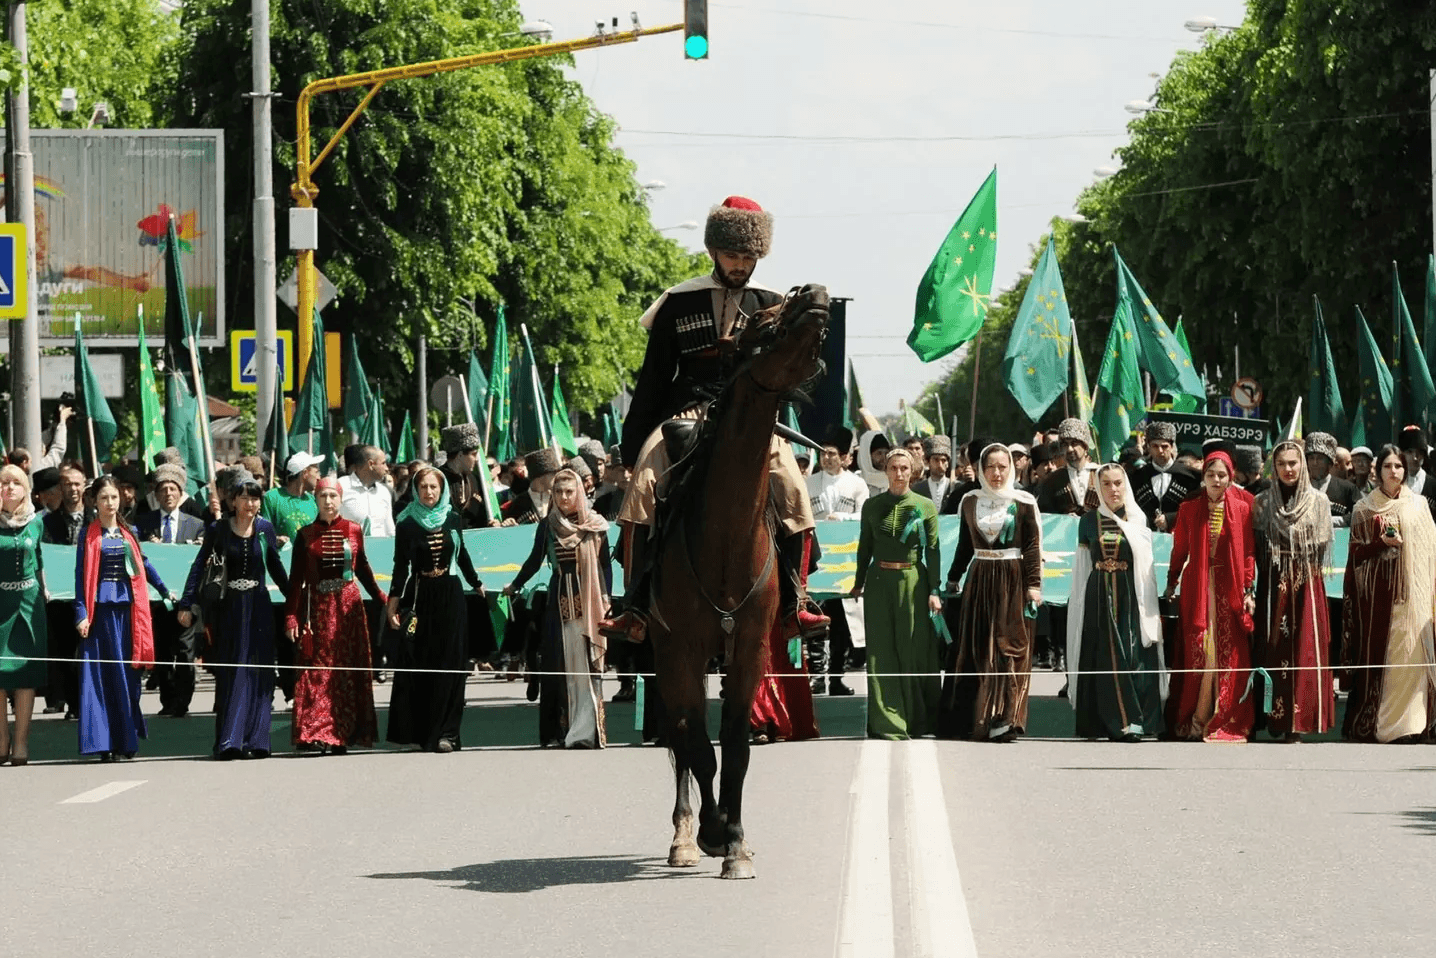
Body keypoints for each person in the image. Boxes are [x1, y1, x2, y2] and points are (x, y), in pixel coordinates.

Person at [606, 195, 823, 645]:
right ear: (713, 252)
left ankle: (798, 601)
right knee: (644, 484)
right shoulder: (677, 302)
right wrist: (632, 447)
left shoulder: (774, 304)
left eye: (748, 256)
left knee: (793, 489)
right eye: (732, 255)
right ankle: (634, 603)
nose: (740, 264)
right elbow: (652, 379)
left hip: (755, 421)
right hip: (688, 412)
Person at [179, 472, 291, 760]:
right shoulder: (218, 529)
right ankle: (230, 740)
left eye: (255, 498)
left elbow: (277, 569)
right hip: (228, 608)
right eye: (244, 497)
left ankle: (257, 740)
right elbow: (198, 566)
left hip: (259, 607)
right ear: (232, 499)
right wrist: (186, 602)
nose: (250, 503)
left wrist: (296, 603)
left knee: (260, 672)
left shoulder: (265, 529)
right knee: (233, 671)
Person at [940, 443, 1043, 742]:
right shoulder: (970, 501)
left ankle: (1005, 718)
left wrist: (1034, 586)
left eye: (1002, 466)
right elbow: (964, 545)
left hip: (1012, 580)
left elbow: (1032, 547)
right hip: (980, 578)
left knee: (1007, 648)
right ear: (981, 470)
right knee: (976, 647)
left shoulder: (1023, 502)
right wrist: (953, 578)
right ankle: (977, 719)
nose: (996, 473)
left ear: (1012, 468)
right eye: (990, 467)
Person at [504, 468, 613, 748]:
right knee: (560, 666)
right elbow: (533, 560)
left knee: (588, 666)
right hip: (558, 602)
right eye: (559, 492)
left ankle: (589, 733)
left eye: (569, 492)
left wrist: (607, 599)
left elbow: (604, 567)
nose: (564, 498)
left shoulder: (596, 525)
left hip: (589, 602)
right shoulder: (548, 525)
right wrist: (515, 585)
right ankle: (561, 732)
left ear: (578, 492)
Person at [385, 465, 485, 752]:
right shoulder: (406, 524)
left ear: (442, 491)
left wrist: (476, 583)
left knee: (452, 664)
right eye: (424, 487)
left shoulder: (453, 519)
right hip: (420, 596)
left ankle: (449, 734)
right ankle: (425, 731)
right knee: (423, 662)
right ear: (416, 490)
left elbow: (462, 553)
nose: (429, 492)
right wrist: (393, 601)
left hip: (451, 596)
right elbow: (400, 566)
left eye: (434, 487)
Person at [1342, 444, 1436, 743]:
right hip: (1379, 598)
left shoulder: (1419, 505)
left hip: (1416, 598)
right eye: (1388, 466)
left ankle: (1415, 724)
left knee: (1414, 655)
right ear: (1378, 471)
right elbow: (1355, 555)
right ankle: (1387, 725)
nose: (1394, 471)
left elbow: (1432, 552)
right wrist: (1381, 543)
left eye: (1398, 466)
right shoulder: (1364, 508)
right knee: (1390, 660)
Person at [285, 478, 387, 754]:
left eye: (333, 496)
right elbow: (295, 580)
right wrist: (291, 617)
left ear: (340, 499)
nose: (328, 501)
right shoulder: (305, 535)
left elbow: (363, 569)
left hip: (348, 610)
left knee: (345, 671)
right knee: (317, 671)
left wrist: (383, 599)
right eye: (323, 496)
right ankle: (317, 732)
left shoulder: (353, 530)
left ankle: (343, 732)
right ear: (315, 500)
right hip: (316, 608)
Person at [74, 475, 172, 761]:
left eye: (114, 497)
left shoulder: (130, 532)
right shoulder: (88, 534)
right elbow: (80, 577)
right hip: (99, 614)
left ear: (121, 499)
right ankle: (103, 743)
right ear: (94, 501)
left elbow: (145, 564)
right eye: (104, 498)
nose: (109, 503)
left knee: (127, 677)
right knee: (101, 678)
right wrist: (81, 614)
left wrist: (165, 591)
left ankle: (125, 741)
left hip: (128, 613)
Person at [1065, 463, 1166, 741]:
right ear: (1098, 488)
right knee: (1106, 654)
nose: (1113, 489)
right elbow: (1083, 566)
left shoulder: (1138, 519)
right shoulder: (1088, 521)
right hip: (1099, 592)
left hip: (1131, 593)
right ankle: (1112, 722)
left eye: (1118, 483)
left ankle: (1139, 720)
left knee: (1133, 654)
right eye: (1106, 484)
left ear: (1126, 485)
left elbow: (1145, 566)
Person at [1163, 449, 1257, 743]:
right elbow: (1180, 550)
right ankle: (1195, 717)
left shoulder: (1243, 509)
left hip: (1229, 588)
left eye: (1222, 475)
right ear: (1203, 477)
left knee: (1229, 653)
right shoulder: (1189, 509)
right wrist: (1172, 581)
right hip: (1198, 587)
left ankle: (1225, 717)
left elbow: (1248, 554)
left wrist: (1248, 589)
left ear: (1231, 478)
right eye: (1211, 475)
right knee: (1200, 650)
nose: (1216, 480)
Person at [850, 448, 942, 740]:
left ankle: (917, 719)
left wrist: (935, 590)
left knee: (912, 648)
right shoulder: (871, 506)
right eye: (893, 468)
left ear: (913, 471)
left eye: (904, 468)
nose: (899, 473)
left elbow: (934, 551)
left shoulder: (925, 506)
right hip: (879, 582)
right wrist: (858, 581)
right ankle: (886, 721)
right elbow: (865, 546)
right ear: (885, 471)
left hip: (913, 582)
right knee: (880, 652)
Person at [1252, 440, 1335, 742]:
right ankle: (1272, 717)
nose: (1288, 469)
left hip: (1307, 586)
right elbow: (1258, 549)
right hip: (1274, 586)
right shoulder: (1261, 502)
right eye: (1282, 464)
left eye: (1293, 463)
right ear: (1273, 467)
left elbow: (1323, 545)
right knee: (1272, 647)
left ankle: (1298, 723)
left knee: (1304, 649)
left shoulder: (1319, 502)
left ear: (1302, 465)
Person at [136, 462, 206, 718]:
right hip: (157, 601)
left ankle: (182, 702)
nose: (168, 494)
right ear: (156, 494)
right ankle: (167, 701)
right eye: (163, 489)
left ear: (180, 493)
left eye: (172, 489)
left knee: (186, 652)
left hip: (187, 600)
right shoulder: (144, 524)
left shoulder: (196, 525)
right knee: (163, 651)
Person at [0, 465, 48, 766]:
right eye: (4, 483)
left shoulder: (36, 522)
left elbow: (39, 560)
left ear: (25, 489)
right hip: (0, 603)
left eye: (16, 482)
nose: (9, 487)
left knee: (26, 675)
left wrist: (46, 591)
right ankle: (1, 740)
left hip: (29, 606)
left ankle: (21, 744)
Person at [1130, 421, 1199, 533]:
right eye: (1155, 446)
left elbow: (1197, 509)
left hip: (1180, 538)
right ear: (1148, 447)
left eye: (1164, 446)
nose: (1160, 451)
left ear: (1172, 447)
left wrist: (1171, 518)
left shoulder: (1191, 476)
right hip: (1144, 539)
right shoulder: (1137, 476)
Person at [1035, 418, 1100, 515]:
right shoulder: (1053, 480)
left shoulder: (1101, 474)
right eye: (1065, 445)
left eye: (1074, 443)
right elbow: (1044, 516)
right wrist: (1064, 518)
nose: (1069, 449)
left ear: (1085, 446)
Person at [438, 423, 497, 527]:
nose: (477, 459)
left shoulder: (477, 480)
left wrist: (492, 523)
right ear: (460, 455)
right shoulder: (436, 478)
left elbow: (485, 517)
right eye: (474, 454)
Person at [262, 450, 323, 542]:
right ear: (305, 473)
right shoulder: (272, 498)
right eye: (316, 472)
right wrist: (275, 540)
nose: (319, 478)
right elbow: (262, 534)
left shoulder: (313, 501)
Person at [338, 443, 395, 537]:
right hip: (349, 549)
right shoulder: (341, 486)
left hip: (380, 549)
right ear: (371, 464)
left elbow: (390, 529)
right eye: (383, 463)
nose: (387, 469)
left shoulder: (384, 492)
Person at [1304, 431, 1358, 527]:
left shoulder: (1347, 488)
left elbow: (1361, 513)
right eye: (1311, 458)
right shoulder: (1299, 487)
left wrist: (1334, 521)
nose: (1315, 463)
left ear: (1330, 463)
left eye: (1320, 458)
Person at [42, 463, 93, 545]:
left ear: (84, 486)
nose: (73, 489)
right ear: (60, 487)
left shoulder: (96, 518)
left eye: (77, 484)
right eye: (68, 485)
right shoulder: (48, 522)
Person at [1398, 425, 1436, 519]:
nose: (1415, 457)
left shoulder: (1433, 485)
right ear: (1402, 454)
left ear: (1424, 455)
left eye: (1419, 452)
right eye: (1410, 452)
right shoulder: (1395, 482)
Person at [911, 435, 955, 509]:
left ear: (947, 463)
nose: (940, 465)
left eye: (943, 460)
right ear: (928, 462)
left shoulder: (956, 487)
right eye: (936, 460)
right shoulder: (917, 488)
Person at [856, 429, 892, 497]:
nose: (884, 457)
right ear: (867, 456)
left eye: (886, 453)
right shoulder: (856, 483)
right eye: (879, 453)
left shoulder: (893, 480)